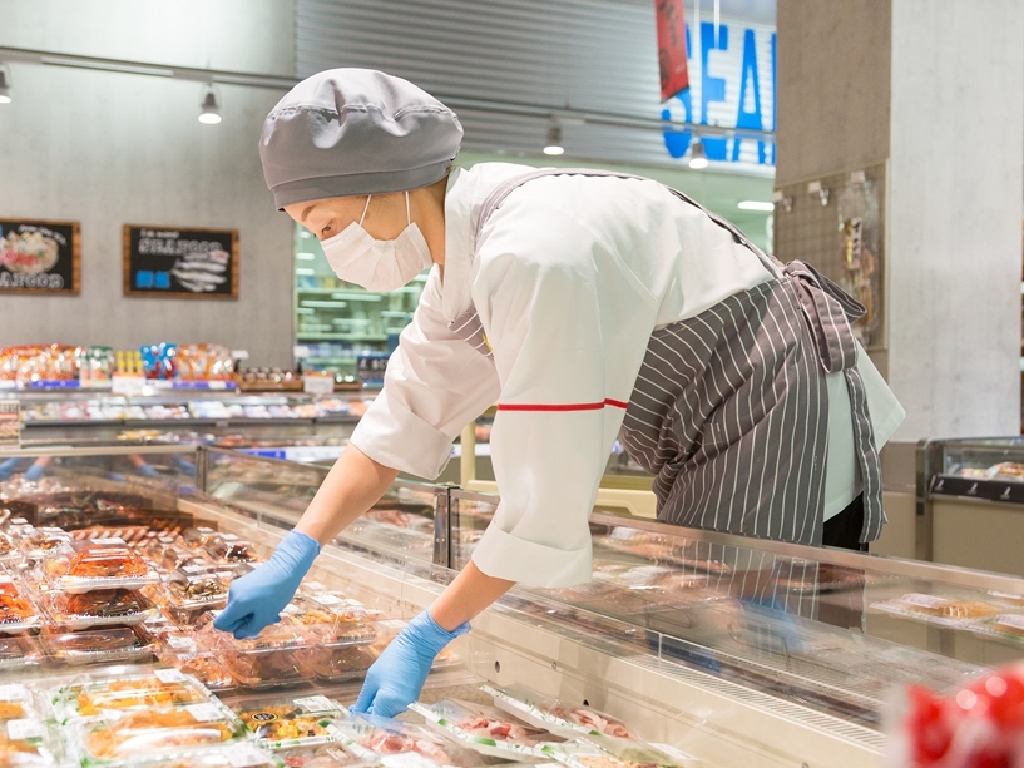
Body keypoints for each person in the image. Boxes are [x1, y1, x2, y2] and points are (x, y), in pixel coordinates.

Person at [215, 69, 905, 716]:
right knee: (710, 636)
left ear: (380, 179)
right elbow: (402, 418)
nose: (332, 250)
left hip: (772, 407)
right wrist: (294, 554)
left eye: (326, 225)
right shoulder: (467, 256)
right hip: (707, 430)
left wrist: (426, 634)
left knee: (745, 662)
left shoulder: (529, 249)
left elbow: (543, 504)